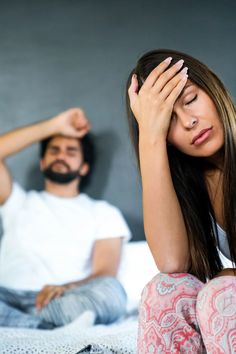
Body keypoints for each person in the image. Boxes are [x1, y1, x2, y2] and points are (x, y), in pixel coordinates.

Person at [126, 49, 236, 353]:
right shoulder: (196, 182)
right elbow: (173, 262)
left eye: (190, 100)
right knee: (165, 292)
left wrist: (227, 278)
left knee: (222, 293)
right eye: (168, 121)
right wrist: (150, 137)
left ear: (212, 87)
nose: (189, 121)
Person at [0, 107, 131, 329]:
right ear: (42, 162)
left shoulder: (103, 212)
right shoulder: (17, 200)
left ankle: (27, 325)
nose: (61, 155)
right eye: (54, 150)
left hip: (63, 300)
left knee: (112, 292)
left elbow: (104, 273)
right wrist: (54, 126)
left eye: (71, 151)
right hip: (7, 297)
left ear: (84, 168)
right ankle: (44, 328)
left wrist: (67, 287)